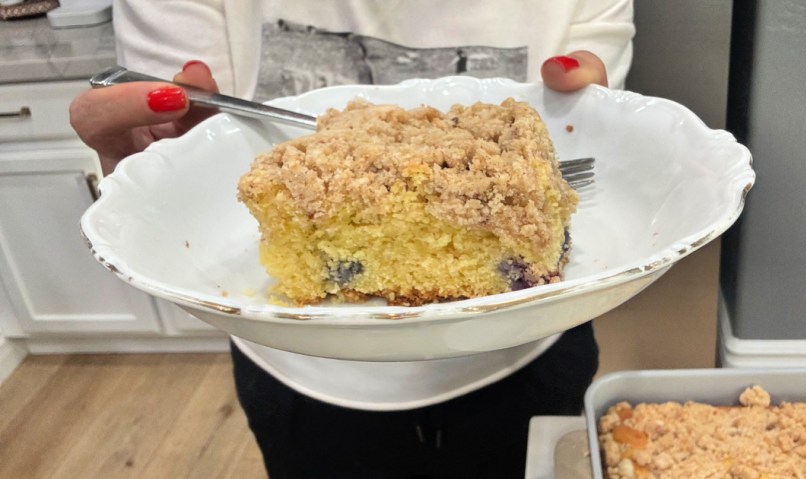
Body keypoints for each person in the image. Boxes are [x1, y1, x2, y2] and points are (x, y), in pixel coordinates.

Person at [70, 2, 634, 477]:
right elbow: (179, 128)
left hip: (530, 348)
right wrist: (168, 171)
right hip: (297, 369)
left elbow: (577, 124)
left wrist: (590, 116)